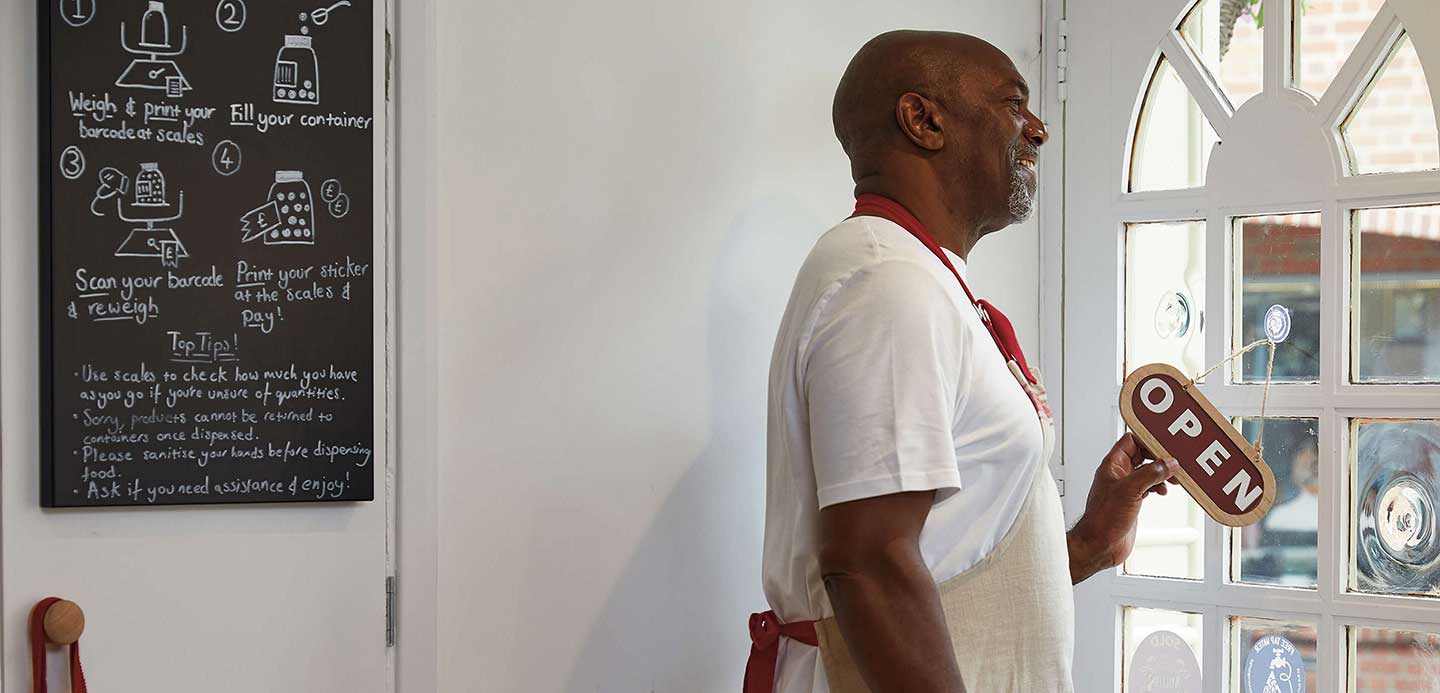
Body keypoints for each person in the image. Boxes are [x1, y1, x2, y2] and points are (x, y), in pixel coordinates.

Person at [744, 30, 1181, 693]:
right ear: (923, 121)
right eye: (1013, 103)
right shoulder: (887, 284)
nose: (1038, 129)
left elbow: (945, 566)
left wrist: (1089, 542)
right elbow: (870, 564)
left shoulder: (918, 278)